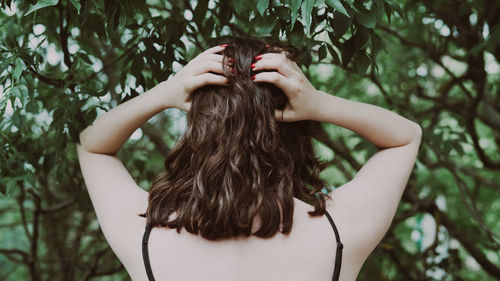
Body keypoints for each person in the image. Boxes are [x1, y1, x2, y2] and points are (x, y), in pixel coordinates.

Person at [77, 35, 422, 281]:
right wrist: (317, 103)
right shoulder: (339, 232)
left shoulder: (146, 235)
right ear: (293, 130)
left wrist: (167, 91)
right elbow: (404, 138)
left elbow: (91, 144)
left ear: (199, 128)